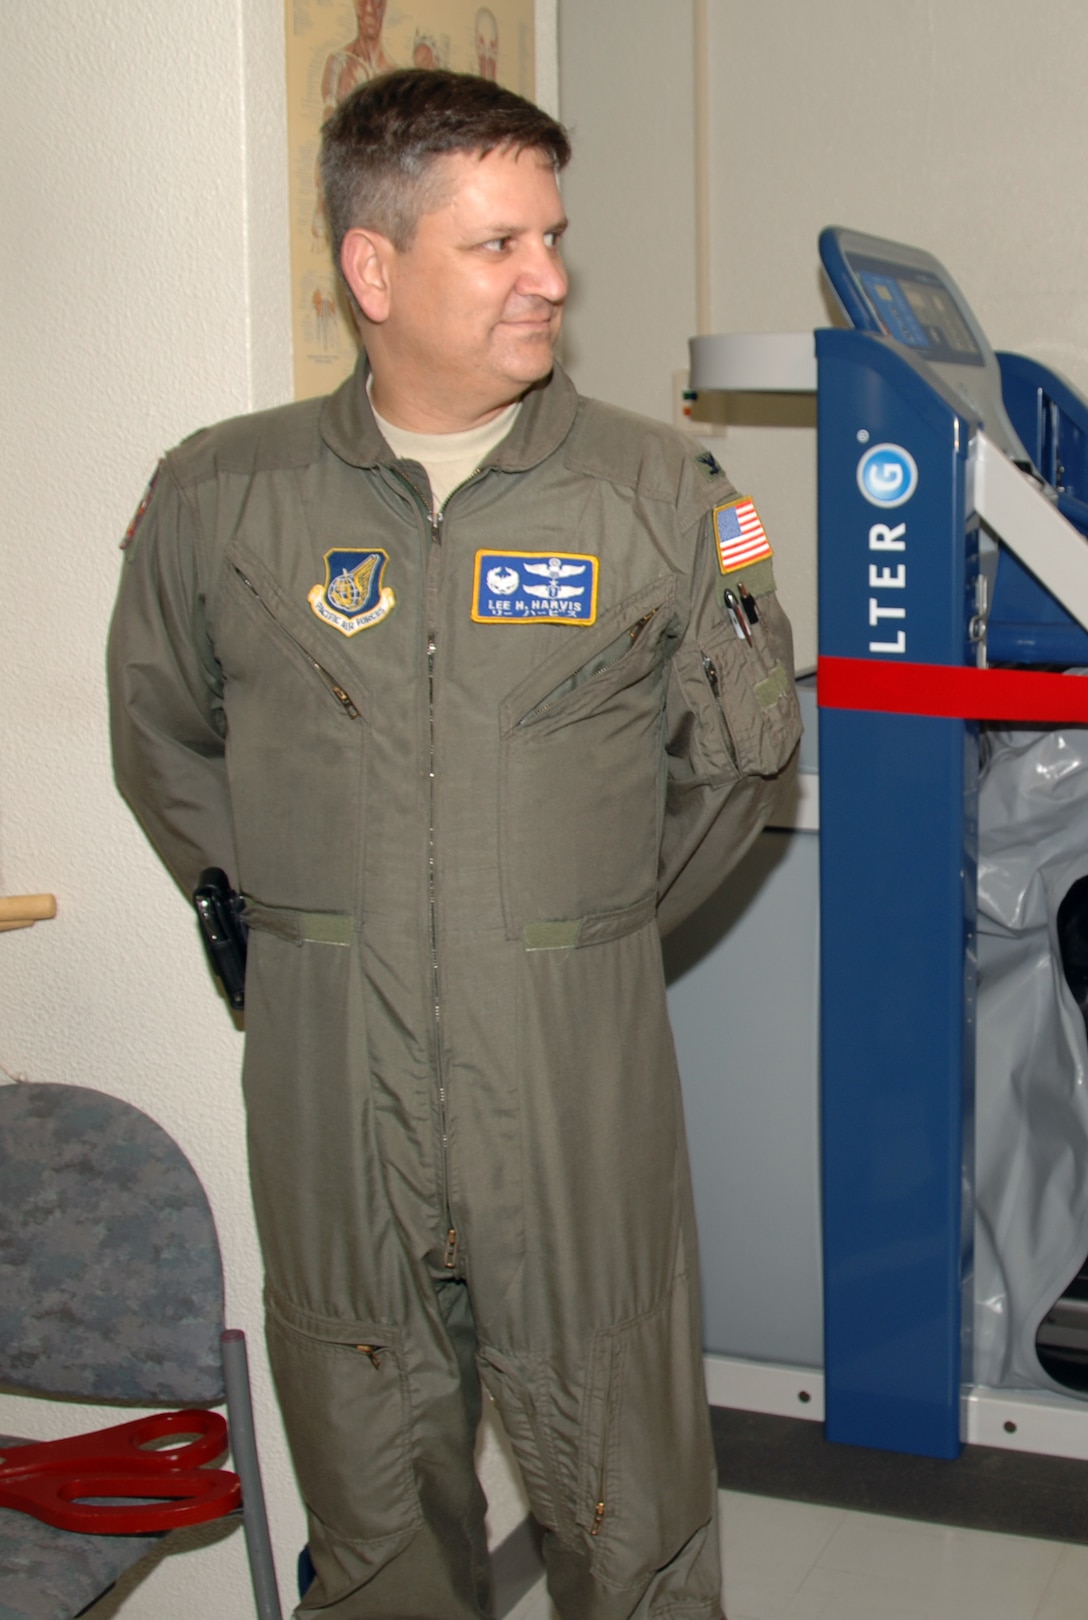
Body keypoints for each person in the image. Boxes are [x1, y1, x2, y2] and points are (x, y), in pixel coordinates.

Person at [109, 69, 799, 1620]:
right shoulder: (225, 493)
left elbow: (745, 759)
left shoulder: (669, 496)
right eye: (497, 244)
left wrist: (579, 936)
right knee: (368, 1491)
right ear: (375, 269)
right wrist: (286, 920)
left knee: (626, 1498)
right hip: (323, 1066)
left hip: (568, 1071)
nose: (549, 275)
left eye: (550, 235)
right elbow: (161, 730)